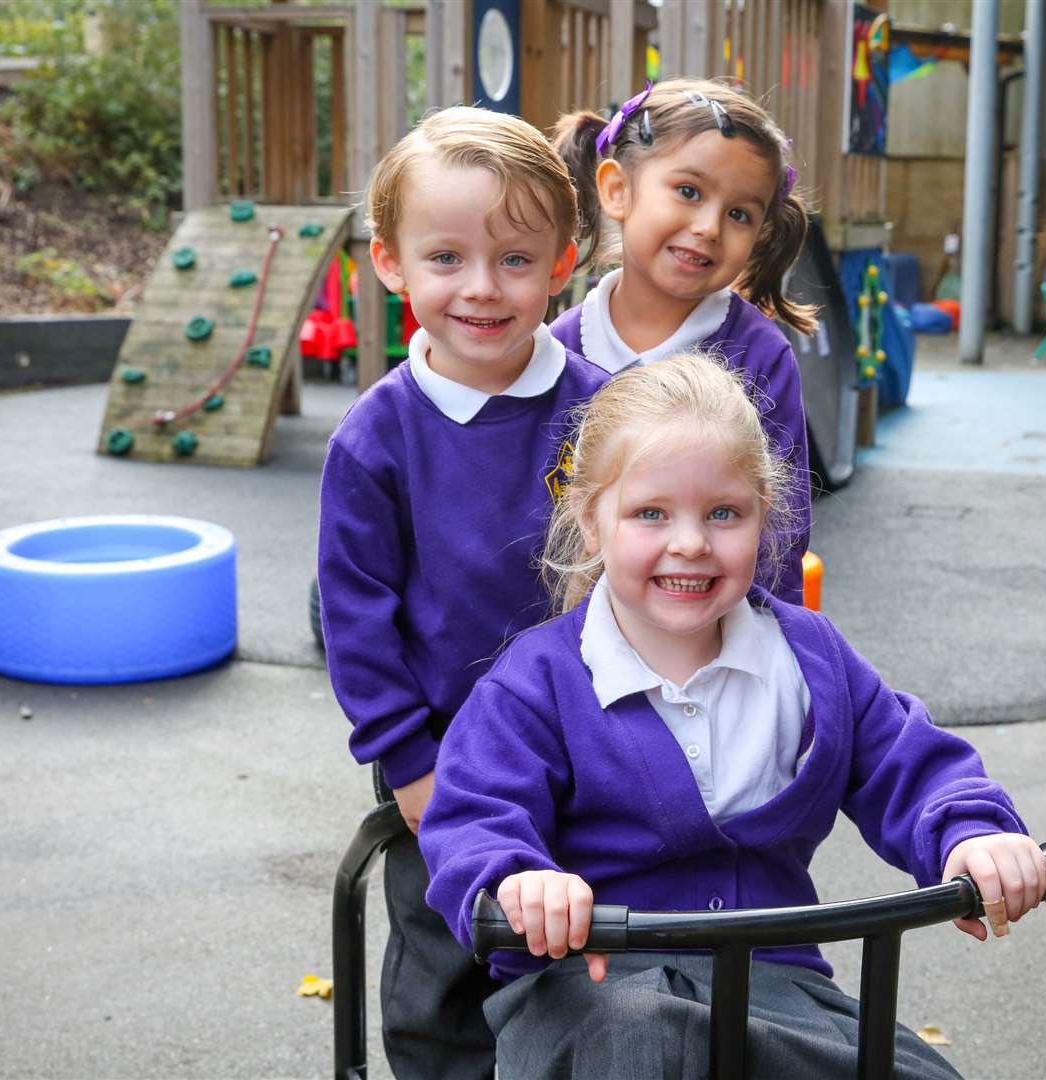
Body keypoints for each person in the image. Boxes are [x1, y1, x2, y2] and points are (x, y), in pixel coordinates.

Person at [419, 352, 1046, 1078]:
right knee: (645, 1045)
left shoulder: (809, 658)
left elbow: (908, 761)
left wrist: (971, 834)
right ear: (592, 522)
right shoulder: (537, 682)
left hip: (776, 987)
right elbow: (474, 815)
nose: (690, 541)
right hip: (594, 985)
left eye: (723, 513)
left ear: (764, 516)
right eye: (651, 513)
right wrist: (516, 879)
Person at [317, 105, 606, 1080]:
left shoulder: (604, 411)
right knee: (450, 968)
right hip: (444, 755)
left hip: (591, 743)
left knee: (591, 951)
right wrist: (408, 767)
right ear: (391, 263)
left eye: (515, 260)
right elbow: (357, 622)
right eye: (446, 258)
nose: (482, 289)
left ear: (563, 262)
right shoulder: (378, 437)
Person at [551, 78, 816, 605]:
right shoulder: (557, 350)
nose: (709, 227)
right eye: (688, 192)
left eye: (740, 213)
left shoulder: (759, 358)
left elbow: (782, 526)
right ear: (617, 189)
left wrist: (755, 643)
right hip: (575, 637)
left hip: (711, 631)